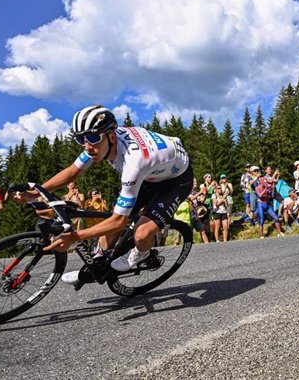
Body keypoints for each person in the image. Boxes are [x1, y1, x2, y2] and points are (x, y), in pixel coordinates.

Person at [15, 105, 193, 287]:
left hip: (176, 180)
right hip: (151, 175)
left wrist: (75, 237)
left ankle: (142, 253)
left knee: (141, 233)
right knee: (108, 228)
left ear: (112, 136)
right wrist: (36, 191)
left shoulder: (133, 162)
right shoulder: (100, 141)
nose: (87, 146)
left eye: (92, 138)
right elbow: (72, 172)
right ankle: (96, 264)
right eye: (80, 139)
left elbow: (118, 221)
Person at [250, 166, 284, 238]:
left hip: (267, 203)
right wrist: (256, 177)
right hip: (260, 203)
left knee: (276, 217)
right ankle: (261, 235)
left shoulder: (263, 179)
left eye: (258, 171)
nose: (257, 172)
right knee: (261, 219)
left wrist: (276, 175)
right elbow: (251, 184)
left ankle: (279, 232)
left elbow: (271, 180)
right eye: (256, 171)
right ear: (254, 173)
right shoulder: (256, 185)